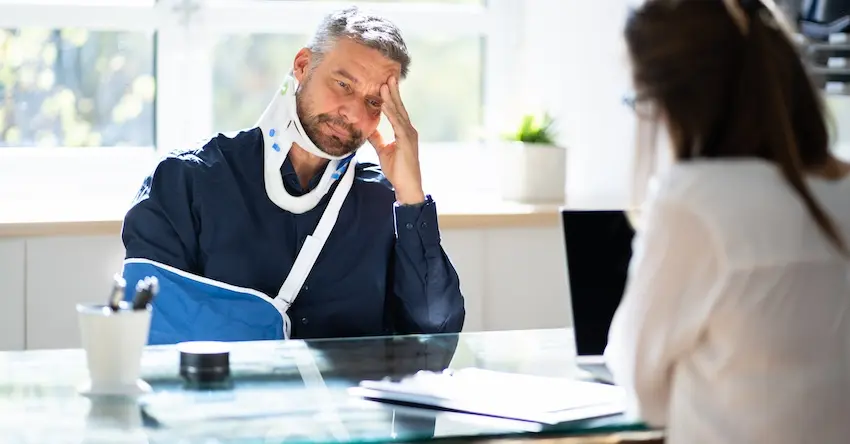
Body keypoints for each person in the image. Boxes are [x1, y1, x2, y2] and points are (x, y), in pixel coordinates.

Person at [120, 6, 465, 345]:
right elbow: (154, 335)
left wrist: (411, 196)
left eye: (375, 103)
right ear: (303, 65)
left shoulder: (385, 202)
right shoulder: (185, 182)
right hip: (223, 400)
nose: (353, 113)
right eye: (344, 84)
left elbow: (436, 333)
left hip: (350, 402)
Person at [604, 0, 850, 443]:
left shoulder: (694, 202)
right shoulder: (843, 190)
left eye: (641, 101)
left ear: (677, 101)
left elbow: (643, 395)